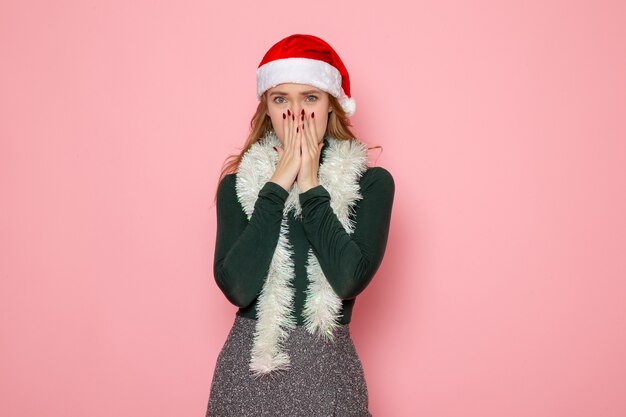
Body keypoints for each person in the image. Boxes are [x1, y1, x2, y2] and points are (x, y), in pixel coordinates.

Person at [205, 33, 395, 417]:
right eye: (281, 100)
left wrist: (309, 185)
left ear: (331, 106)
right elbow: (239, 289)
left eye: (310, 98)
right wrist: (277, 184)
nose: (297, 114)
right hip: (247, 376)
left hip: (328, 376)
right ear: (268, 109)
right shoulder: (239, 184)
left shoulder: (370, 184)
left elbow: (347, 281)